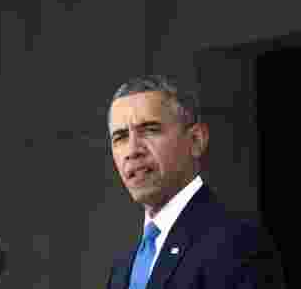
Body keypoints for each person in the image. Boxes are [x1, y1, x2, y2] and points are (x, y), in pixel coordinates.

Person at [105, 77, 286, 289]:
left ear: (196, 140)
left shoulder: (238, 244)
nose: (133, 150)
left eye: (150, 129)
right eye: (120, 137)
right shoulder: (123, 267)